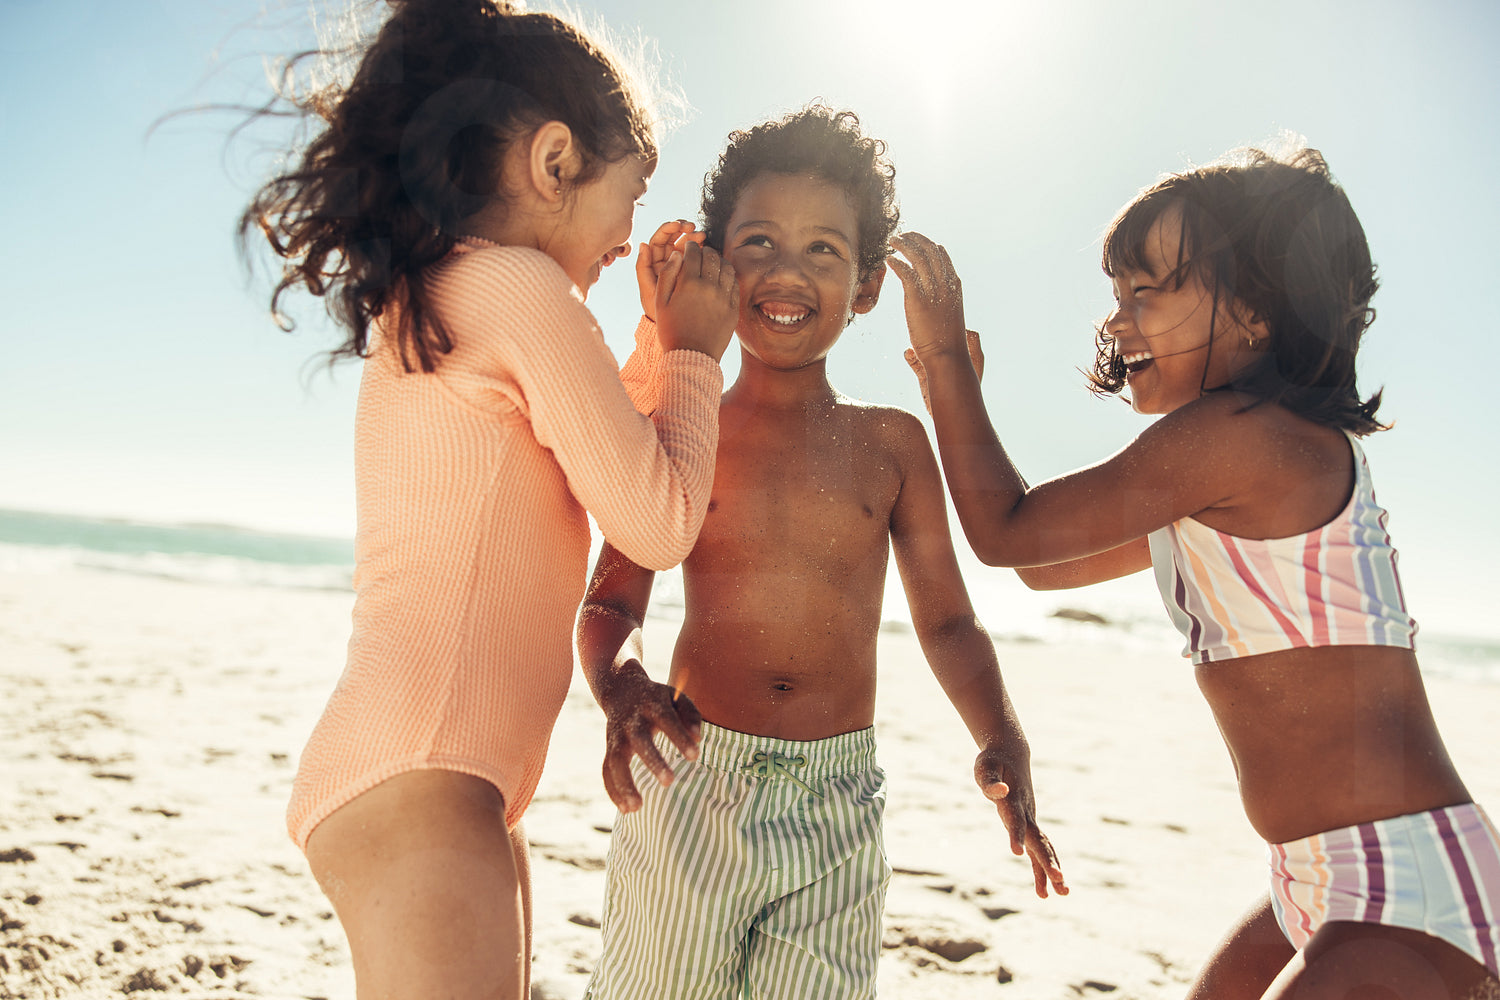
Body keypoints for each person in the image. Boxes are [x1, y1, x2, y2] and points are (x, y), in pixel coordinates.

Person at [891, 147, 1500, 1000]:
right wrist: (952, 393)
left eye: (1145, 293)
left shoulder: (1243, 439)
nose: (1116, 323)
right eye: (1116, 296)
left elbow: (1006, 532)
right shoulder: (1220, 473)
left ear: (1254, 313)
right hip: (1309, 875)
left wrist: (947, 361)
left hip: (1407, 890)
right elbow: (1039, 567)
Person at [241, 2, 740, 997]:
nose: (629, 233)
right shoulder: (519, 290)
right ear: (555, 162)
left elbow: (600, 446)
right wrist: (692, 353)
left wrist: (653, 339)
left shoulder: (451, 291)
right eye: (633, 192)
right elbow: (657, 519)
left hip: (438, 771)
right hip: (425, 775)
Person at [575, 106, 1065, 1000]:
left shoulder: (893, 445)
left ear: (867, 287)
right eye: (759, 241)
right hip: (691, 777)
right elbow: (613, 602)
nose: (788, 271)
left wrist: (1002, 735)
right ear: (715, 262)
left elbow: (948, 623)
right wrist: (621, 686)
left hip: (837, 806)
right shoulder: (684, 424)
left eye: (824, 251)